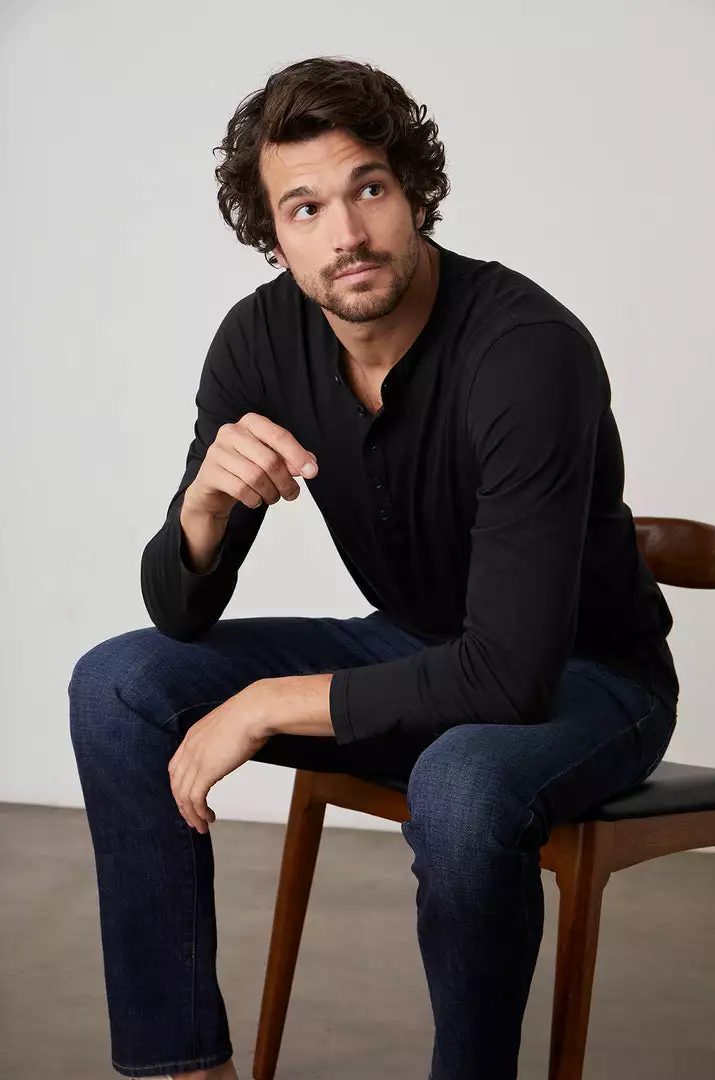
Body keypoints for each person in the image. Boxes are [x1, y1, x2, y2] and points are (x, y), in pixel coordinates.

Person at [69, 55, 680, 1080]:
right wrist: (202, 510)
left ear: (415, 192)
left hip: (590, 680)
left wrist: (269, 702)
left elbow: (509, 677)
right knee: (118, 685)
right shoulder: (259, 340)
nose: (345, 235)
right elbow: (178, 615)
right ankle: (185, 1068)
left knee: (462, 784)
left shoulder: (528, 350)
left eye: (368, 189)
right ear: (273, 235)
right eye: (305, 208)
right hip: (414, 648)